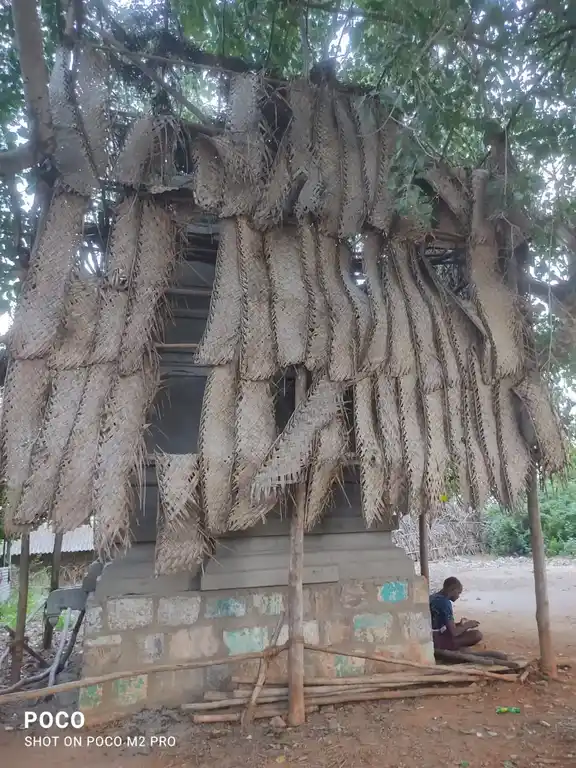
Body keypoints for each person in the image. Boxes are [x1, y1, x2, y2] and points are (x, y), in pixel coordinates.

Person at [429, 576, 482, 650]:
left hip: (430, 636)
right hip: (437, 640)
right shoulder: (445, 603)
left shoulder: (432, 597)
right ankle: (452, 647)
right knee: (477, 635)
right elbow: (454, 632)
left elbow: (440, 625)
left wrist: (459, 625)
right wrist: (468, 625)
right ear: (452, 589)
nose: (458, 596)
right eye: (458, 593)